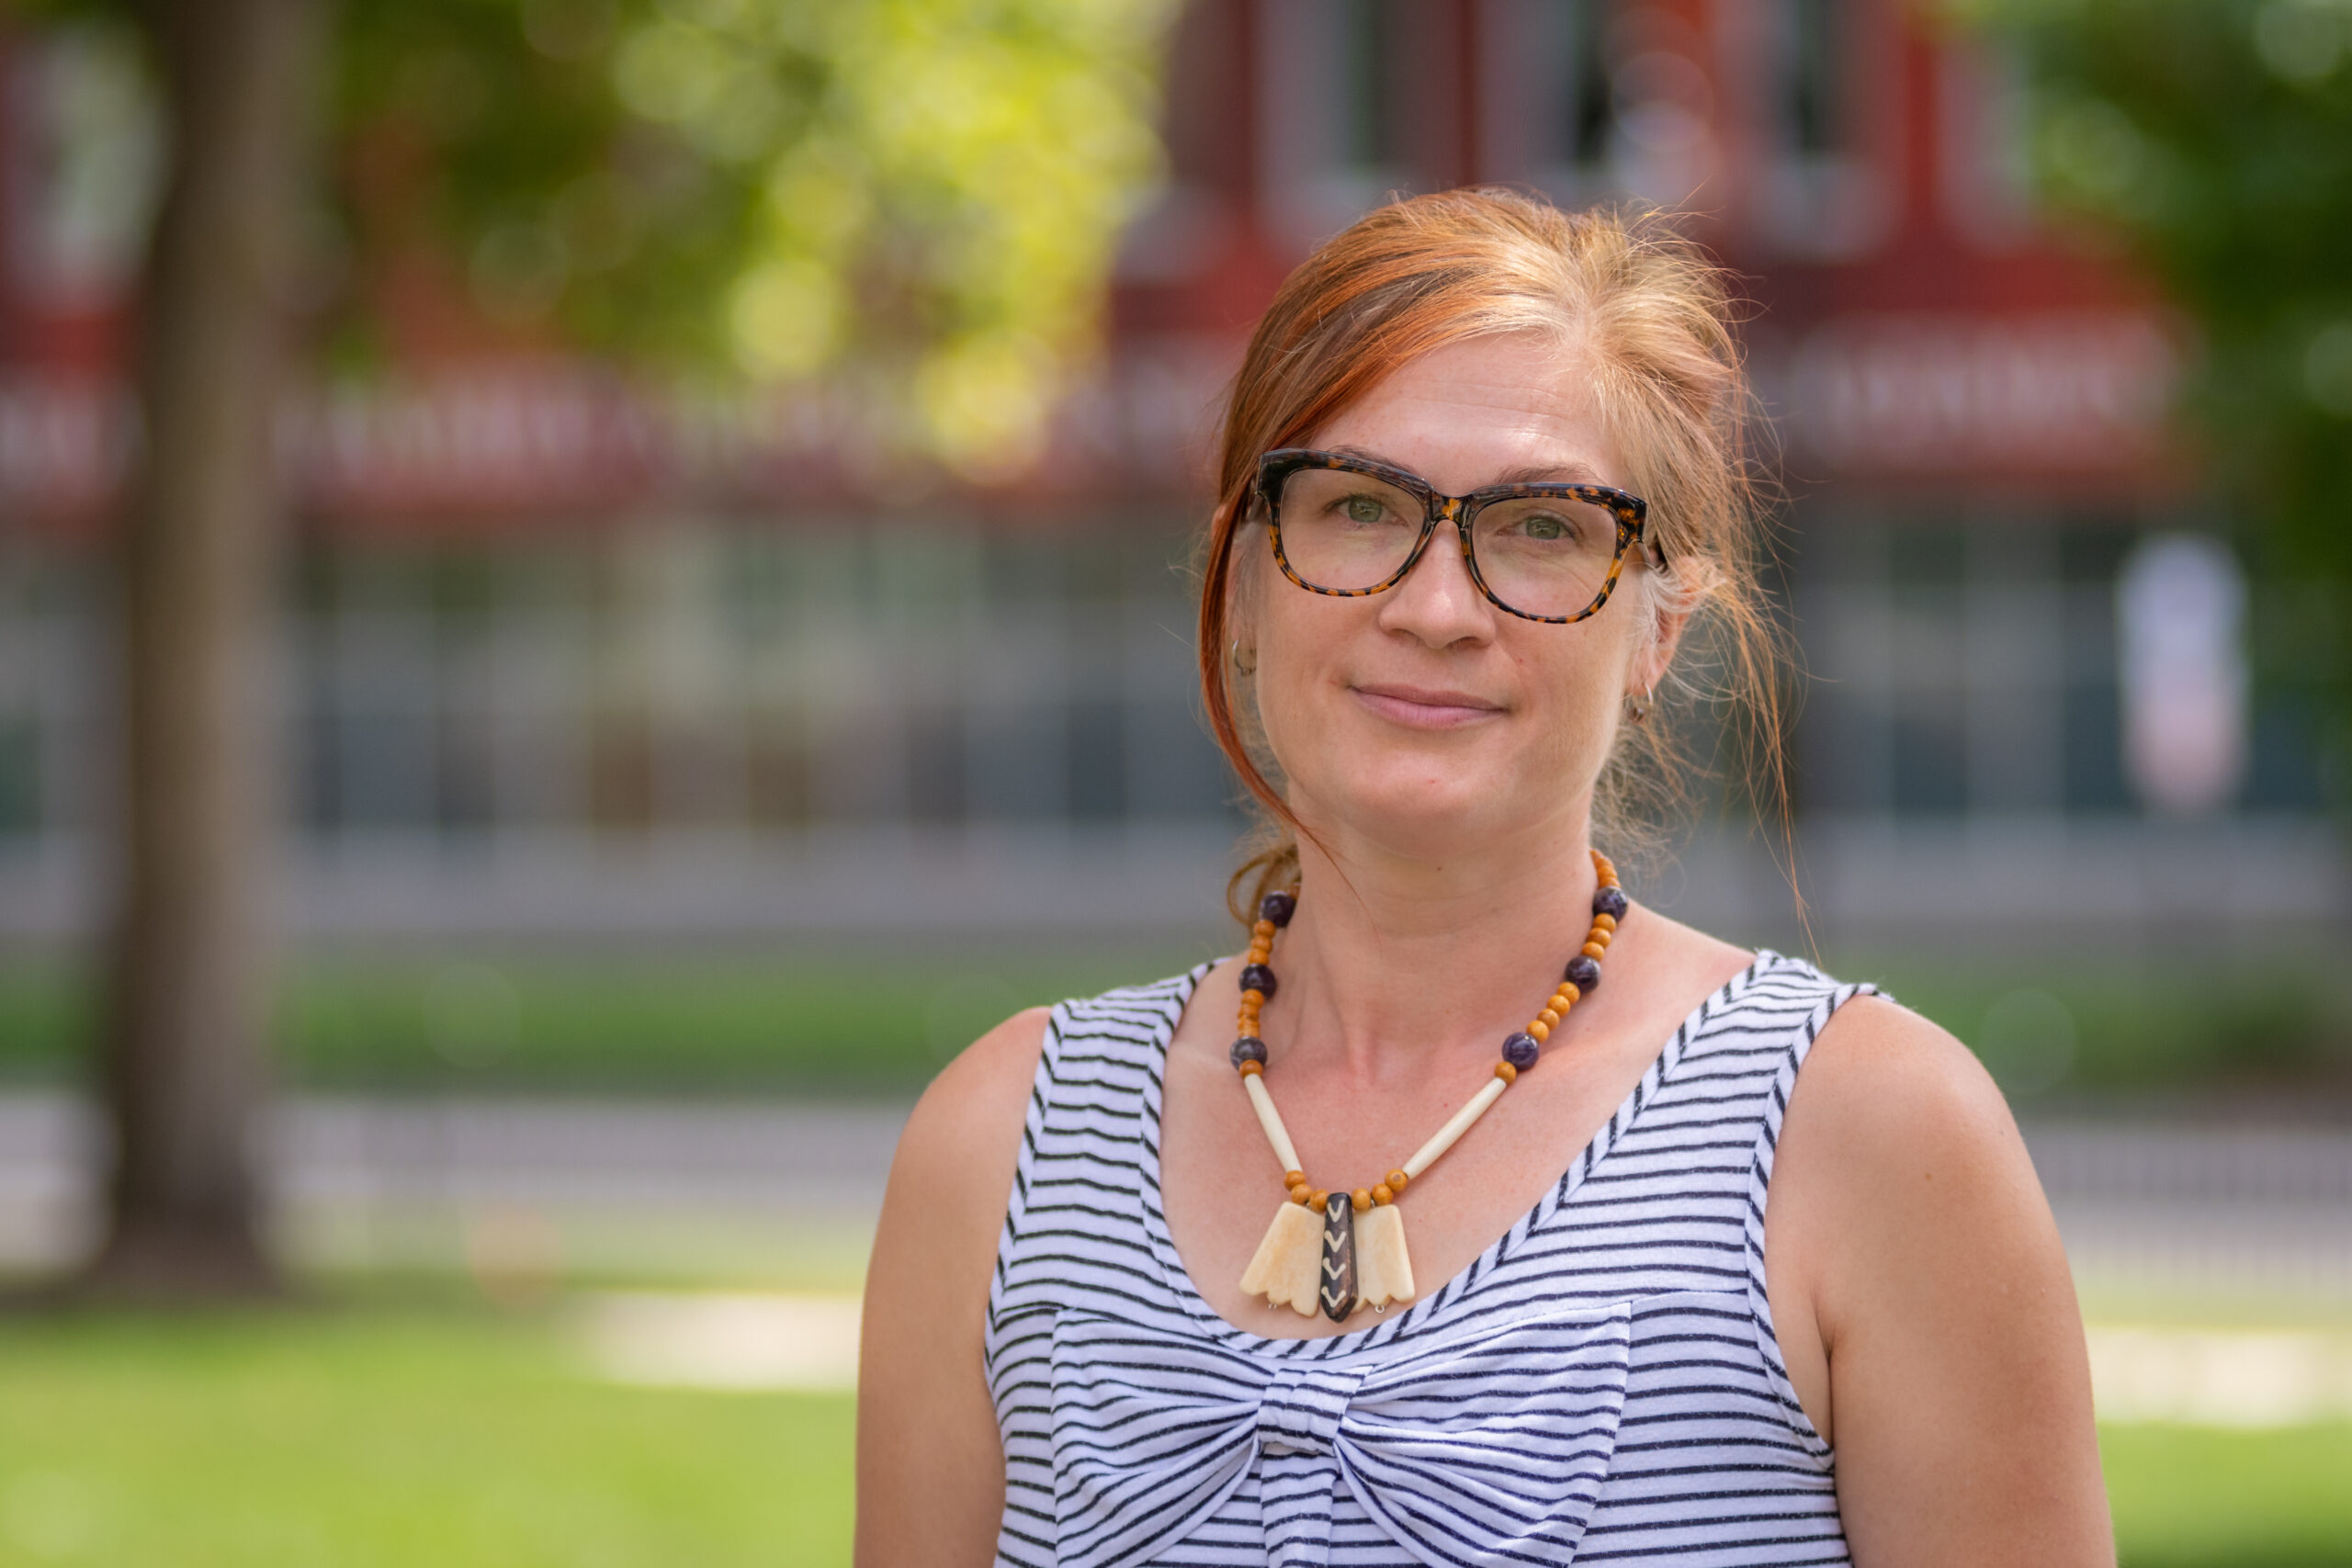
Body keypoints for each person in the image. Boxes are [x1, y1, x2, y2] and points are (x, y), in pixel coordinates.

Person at [857, 189, 2111, 1567]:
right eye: (1355, 507)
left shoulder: (1869, 1132)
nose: (1436, 606)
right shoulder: (998, 1146)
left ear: (1658, 628)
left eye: (1541, 528)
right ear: (1242, 578)